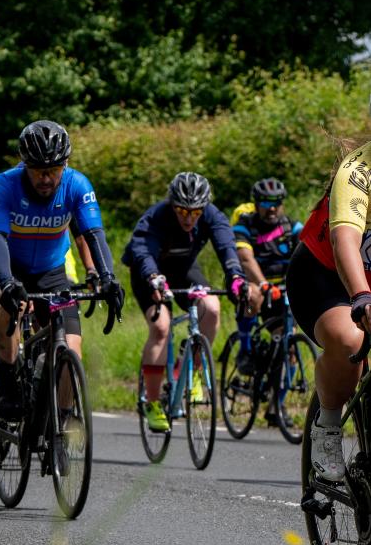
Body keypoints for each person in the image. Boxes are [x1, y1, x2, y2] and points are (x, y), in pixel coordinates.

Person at [0, 120, 123, 419]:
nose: (46, 178)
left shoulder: (77, 185)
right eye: (37, 170)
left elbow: (93, 235)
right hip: (10, 267)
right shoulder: (3, 186)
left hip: (52, 271)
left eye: (54, 169)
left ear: (66, 164)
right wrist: (7, 283)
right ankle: (7, 383)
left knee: (71, 348)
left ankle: (62, 419)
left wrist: (108, 278)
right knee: (11, 308)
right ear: (24, 166)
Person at [123, 171, 245, 434]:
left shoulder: (212, 215)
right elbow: (142, 250)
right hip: (148, 272)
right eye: (182, 210)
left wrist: (235, 276)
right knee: (162, 328)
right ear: (172, 204)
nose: (188, 217)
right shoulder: (157, 216)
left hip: (184, 268)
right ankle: (153, 403)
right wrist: (153, 278)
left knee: (211, 308)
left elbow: (226, 247)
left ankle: (191, 371)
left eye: (195, 212)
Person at [287, 141, 371, 482]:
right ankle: (328, 426)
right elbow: (345, 241)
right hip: (326, 278)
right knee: (351, 340)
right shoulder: (359, 171)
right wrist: (362, 296)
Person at [230, 177, 302, 372]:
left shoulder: (292, 227)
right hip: (256, 286)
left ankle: (276, 403)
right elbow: (245, 259)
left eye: (276, 203)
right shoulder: (244, 227)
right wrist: (263, 284)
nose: (272, 208)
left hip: (282, 292)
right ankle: (245, 350)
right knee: (252, 294)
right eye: (266, 203)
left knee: (290, 349)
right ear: (256, 204)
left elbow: (308, 254)